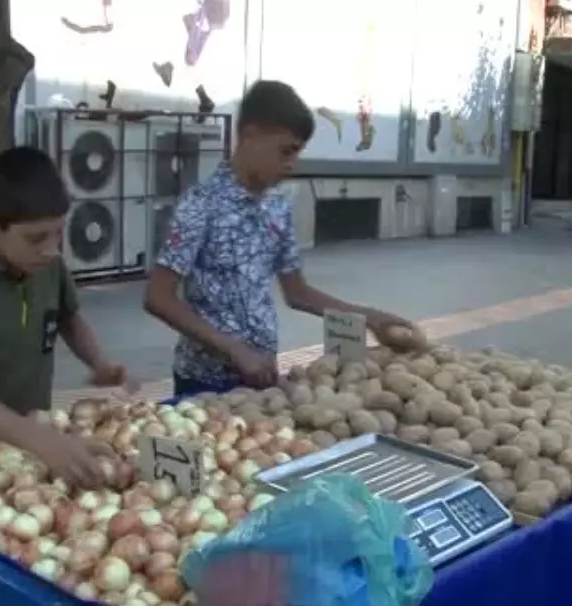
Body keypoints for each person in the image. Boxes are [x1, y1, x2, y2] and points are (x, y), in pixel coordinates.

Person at [144, 80, 416, 397]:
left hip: (262, 378)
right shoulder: (200, 205)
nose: (291, 164)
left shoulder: (277, 207)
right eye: (285, 151)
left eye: (297, 153)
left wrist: (369, 317)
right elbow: (158, 298)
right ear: (251, 135)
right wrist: (233, 349)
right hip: (203, 383)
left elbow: (297, 293)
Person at [0, 146, 133, 487]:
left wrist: (99, 363)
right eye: (36, 238)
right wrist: (44, 441)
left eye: (58, 234)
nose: (51, 249)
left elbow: (69, 319)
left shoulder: (50, 267)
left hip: (27, 436)